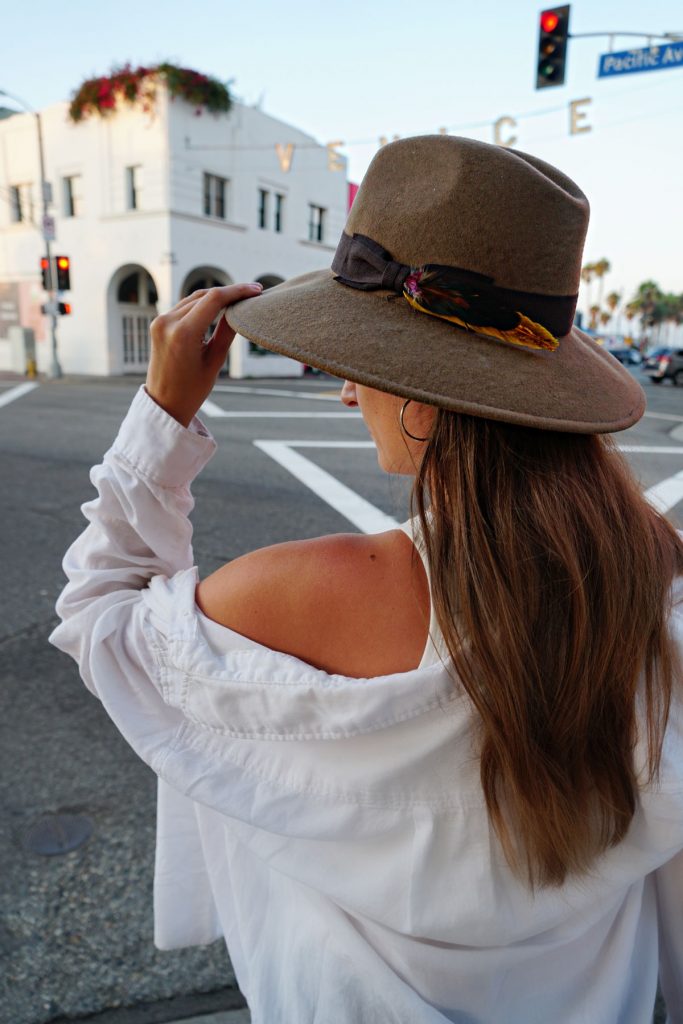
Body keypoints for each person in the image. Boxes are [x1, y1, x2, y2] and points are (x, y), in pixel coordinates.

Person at [50, 136, 683, 1023]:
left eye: (369, 365)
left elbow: (100, 620)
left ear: (429, 391)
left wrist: (161, 417)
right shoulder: (653, 582)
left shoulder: (305, 592)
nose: (349, 393)